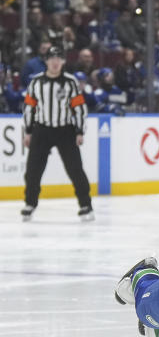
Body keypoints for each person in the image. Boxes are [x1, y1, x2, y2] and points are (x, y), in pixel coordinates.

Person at [21, 46, 93, 222]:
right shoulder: (36, 82)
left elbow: (79, 108)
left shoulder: (70, 82)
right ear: (46, 61)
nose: (54, 62)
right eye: (51, 59)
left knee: (75, 169)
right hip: (42, 129)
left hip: (65, 130)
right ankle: (30, 203)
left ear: (63, 62)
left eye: (58, 59)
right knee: (33, 171)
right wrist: (28, 131)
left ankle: (86, 205)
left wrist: (79, 131)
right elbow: (29, 108)